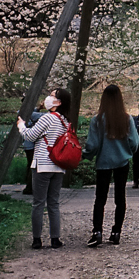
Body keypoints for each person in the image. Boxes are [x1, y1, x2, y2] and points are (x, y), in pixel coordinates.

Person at [83, 85, 139, 247]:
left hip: (103, 162)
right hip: (122, 162)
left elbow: (92, 145)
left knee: (100, 198)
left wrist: (86, 155)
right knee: (120, 198)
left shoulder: (97, 120)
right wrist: (128, 152)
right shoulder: (126, 119)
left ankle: (97, 231)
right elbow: (134, 142)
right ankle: (116, 232)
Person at [17, 88, 73, 249]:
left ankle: (37, 239)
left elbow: (30, 135)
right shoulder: (65, 120)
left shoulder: (47, 118)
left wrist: (21, 126)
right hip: (58, 165)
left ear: (58, 102)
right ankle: (55, 239)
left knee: (38, 203)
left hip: (42, 164)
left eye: (52, 95)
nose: (48, 97)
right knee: (54, 203)